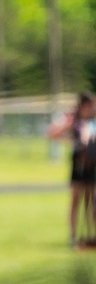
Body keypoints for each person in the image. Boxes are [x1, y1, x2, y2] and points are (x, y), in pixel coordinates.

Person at [49, 92, 96, 247]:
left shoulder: (93, 122)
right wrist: (69, 133)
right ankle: (74, 236)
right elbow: (54, 134)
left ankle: (91, 235)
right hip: (78, 163)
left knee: (91, 201)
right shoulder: (74, 122)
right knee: (77, 199)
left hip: (92, 163)